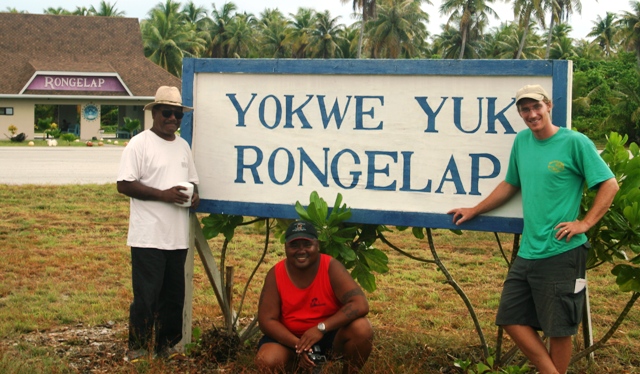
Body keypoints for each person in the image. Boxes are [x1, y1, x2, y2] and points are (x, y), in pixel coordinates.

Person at [448, 85, 618, 374]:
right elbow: (510, 184)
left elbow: (609, 184)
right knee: (509, 316)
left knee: (559, 327)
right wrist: (474, 209)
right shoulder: (523, 142)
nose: (532, 114)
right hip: (530, 250)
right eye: (525, 109)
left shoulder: (575, 142)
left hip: (562, 249)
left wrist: (585, 223)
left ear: (549, 106)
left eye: (536, 107)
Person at [116, 86, 200, 362]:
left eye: (178, 114)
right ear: (154, 112)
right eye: (167, 112)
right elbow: (124, 184)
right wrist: (163, 195)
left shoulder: (183, 146)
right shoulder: (139, 144)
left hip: (177, 237)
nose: (173, 119)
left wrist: (194, 196)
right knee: (146, 297)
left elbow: (193, 181)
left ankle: (167, 347)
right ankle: (138, 348)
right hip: (147, 236)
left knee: (174, 298)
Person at [256, 221, 374, 374]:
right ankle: (299, 366)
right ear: (285, 247)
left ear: (317, 245)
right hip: (289, 340)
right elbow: (266, 320)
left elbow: (360, 304)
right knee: (266, 360)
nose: (301, 250)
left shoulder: (331, 266)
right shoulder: (275, 274)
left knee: (362, 328)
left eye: (307, 244)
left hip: (328, 336)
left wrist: (321, 328)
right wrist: (299, 345)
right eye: (294, 245)